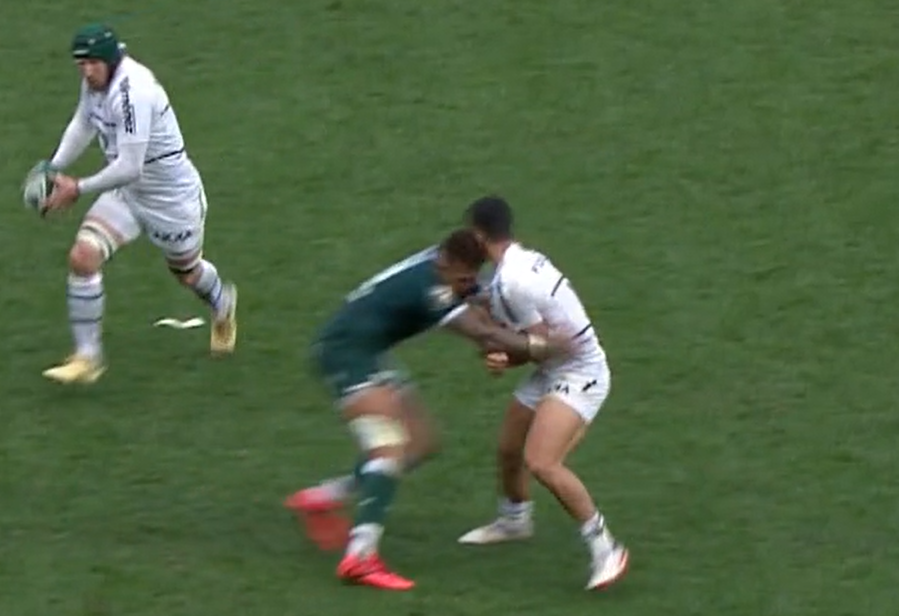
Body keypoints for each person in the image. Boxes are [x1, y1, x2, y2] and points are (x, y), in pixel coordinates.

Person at [285, 228, 574, 591]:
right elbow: (482, 334)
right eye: (463, 278)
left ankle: (323, 499)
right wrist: (543, 347)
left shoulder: (441, 265)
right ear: (446, 262)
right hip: (344, 356)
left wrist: (504, 321)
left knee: (420, 443)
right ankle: (360, 557)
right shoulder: (431, 289)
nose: (467, 285)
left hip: (368, 353)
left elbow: (479, 302)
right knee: (388, 449)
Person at [36, 23, 237, 383]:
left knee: (187, 274)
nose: (86, 71)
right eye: (81, 64)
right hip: (127, 194)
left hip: (170, 199)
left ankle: (223, 303)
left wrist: (77, 187)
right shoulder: (96, 83)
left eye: (93, 63)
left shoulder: (134, 92)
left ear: (111, 60)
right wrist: (53, 167)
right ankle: (88, 358)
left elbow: (130, 166)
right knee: (83, 257)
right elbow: (83, 122)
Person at [456, 196, 629, 591]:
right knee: (508, 448)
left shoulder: (512, 283)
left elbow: (541, 347)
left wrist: (504, 358)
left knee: (542, 461)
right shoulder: (519, 263)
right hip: (557, 366)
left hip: (580, 372)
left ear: (480, 236)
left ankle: (607, 548)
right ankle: (514, 521)